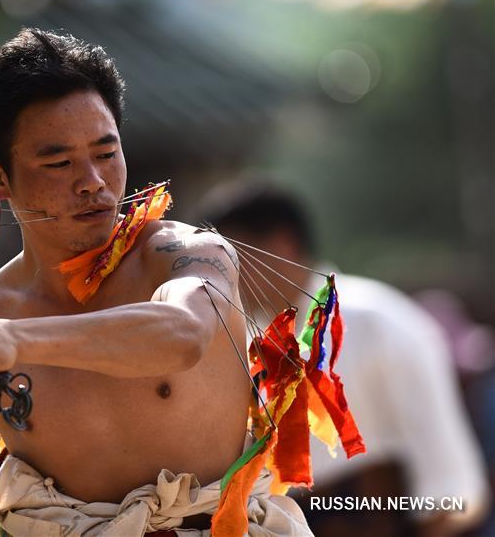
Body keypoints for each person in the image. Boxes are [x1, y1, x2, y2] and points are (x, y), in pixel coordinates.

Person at [0, 29, 312, 535]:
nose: (92, 181)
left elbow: (182, 335)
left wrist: (13, 341)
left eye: (106, 152)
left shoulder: (187, 253)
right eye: (58, 162)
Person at [196, 179, 491, 537]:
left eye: (226, 257)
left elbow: (454, 494)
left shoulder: (376, 321)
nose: (217, 275)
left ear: (280, 245)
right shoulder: (246, 341)